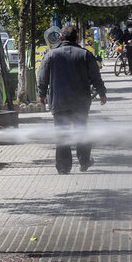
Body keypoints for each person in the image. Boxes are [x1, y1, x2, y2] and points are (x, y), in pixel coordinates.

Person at [37, 25, 107, 174]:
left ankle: (63, 167)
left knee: (62, 133)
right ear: (77, 38)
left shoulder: (51, 55)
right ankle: (84, 162)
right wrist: (102, 93)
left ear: (61, 38)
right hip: (80, 102)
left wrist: (41, 94)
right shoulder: (85, 54)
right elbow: (95, 76)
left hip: (59, 102)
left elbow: (42, 77)